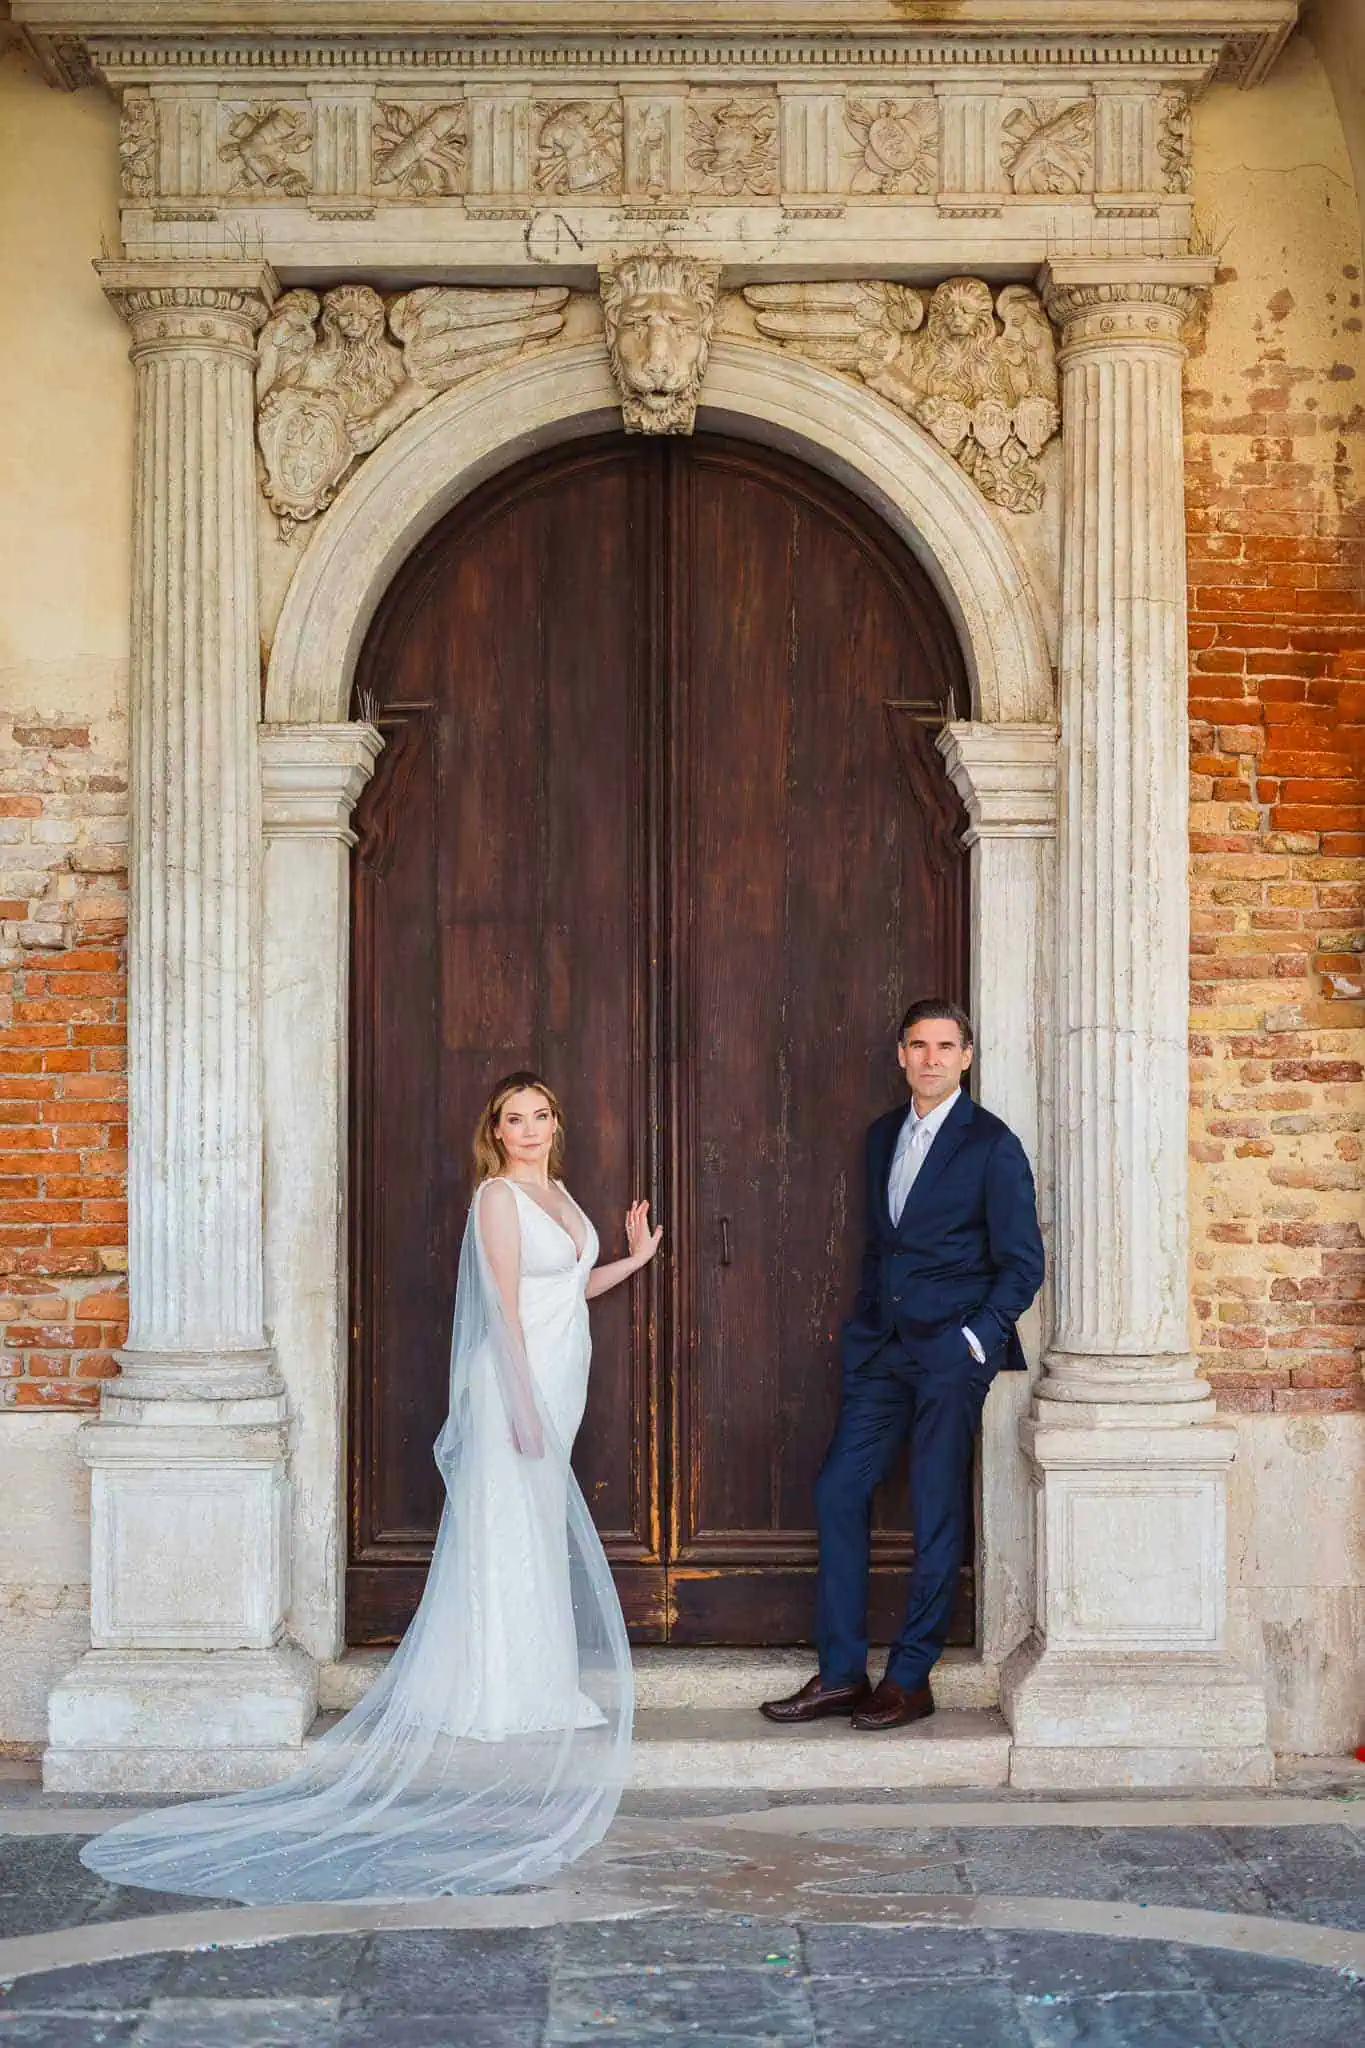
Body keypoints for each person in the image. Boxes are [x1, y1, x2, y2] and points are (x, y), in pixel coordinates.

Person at [81, 1073, 661, 1904]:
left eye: (540, 1116)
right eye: (513, 1119)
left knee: (530, 1526)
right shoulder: (496, 1200)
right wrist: (523, 1403)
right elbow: (500, 1309)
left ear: (554, 1125)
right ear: (493, 1131)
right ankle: (494, 1689)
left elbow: (567, 1290)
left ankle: (537, 1679)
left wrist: (631, 1261)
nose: (529, 1129)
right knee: (502, 1526)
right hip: (512, 1388)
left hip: (561, 1382)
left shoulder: (562, 1193)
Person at [761, 1000, 1043, 1733]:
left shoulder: (991, 1143)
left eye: (944, 1046)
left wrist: (973, 1343)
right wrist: (863, 1323)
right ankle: (842, 1674)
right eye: (917, 1045)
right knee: (836, 1492)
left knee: (934, 1507)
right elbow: (880, 1245)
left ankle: (910, 1678)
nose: (929, 1058)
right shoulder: (881, 1134)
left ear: (966, 1057)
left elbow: (1021, 1264)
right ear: (899, 1055)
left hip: (950, 1356)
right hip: (881, 1351)